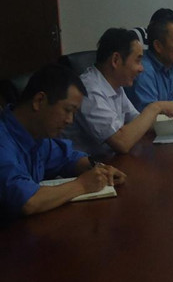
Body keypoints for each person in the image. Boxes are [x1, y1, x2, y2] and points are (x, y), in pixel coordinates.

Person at [0, 64, 126, 220]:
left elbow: (69, 158)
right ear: (39, 101)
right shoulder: (3, 141)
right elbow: (27, 201)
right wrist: (82, 185)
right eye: (67, 110)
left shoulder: (37, 135)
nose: (70, 120)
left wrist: (100, 169)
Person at [67, 28, 173, 156]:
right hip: (89, 165)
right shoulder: (89, 90)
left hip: (112, 161)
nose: (141, 68)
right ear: (116, 60)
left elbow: (138, 123)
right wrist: (156, 107)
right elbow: (122, 142)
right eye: (138, 60)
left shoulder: (115, 84)